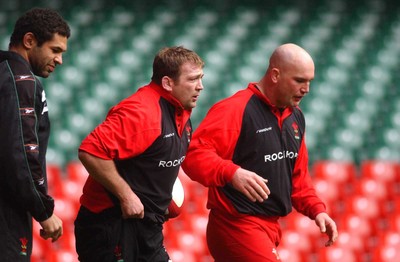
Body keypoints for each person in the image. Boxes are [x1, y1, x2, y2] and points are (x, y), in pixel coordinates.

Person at [182, 43, 338, 261]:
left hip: (269, 228)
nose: (306, 89)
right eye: (299, 81)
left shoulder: (296, 117)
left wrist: (317, 210)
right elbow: (193, 155)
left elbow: (297, 178)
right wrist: (231, 172)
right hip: (236, 225)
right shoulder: (235, 109)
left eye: (309, 81)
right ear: (275, 75)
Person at [74, 46, 204, 261]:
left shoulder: (179, 110)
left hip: (146, 227)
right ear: (167, 83)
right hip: (111, 226)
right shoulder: (142, 112)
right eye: (192, 79)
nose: (200, 87)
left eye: (201, 78)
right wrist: (127, 196)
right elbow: (90, 151)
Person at [0, 7, 70, 261]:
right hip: (6, 217)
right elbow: (20, 151)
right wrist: (44, 210)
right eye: (55, 50)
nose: (60, 60)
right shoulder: (21, 80)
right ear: (29, 41)